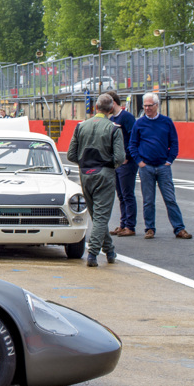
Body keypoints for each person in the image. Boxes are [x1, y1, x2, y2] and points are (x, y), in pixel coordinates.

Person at [66, 93, 125, 267]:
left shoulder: (81, 126)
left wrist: (85, 163)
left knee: (97, 215)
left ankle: (110, 250)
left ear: (95, 107)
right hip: (104, 173)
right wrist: (109, 165)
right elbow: (120, 157)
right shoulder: (114, 128)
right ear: (111, 109)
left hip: (85, 173)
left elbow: (71, 154)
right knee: (101, 216)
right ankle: (92, 253)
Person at [128, 92, 191, 240]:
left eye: (150, 105)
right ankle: (149, 228)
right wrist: (139, 162)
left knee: (170, 199)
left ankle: (179, 228)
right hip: (146, 167)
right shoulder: (139, 123)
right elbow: (133, 144)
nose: (147, 108)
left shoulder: (166, 122)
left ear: (157, 105)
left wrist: (169, 160)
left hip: (163, 166)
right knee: (148, 200)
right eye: (145, 105)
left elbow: (174, 143)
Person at [107, 91, 138, 237]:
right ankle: (123, 223)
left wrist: (128, 156)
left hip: (126, 162)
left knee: (127, 194)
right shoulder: (112, 118)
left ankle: (130, 226)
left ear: (113, 102)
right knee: (120, 194)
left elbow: (134, 137)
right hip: (116, 162)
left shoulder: (126, 117)